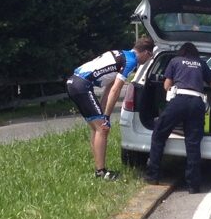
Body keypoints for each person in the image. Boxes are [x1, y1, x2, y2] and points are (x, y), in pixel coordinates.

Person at [66, 36, 155, 180]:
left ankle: (99, 169)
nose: (148, 61)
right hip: (82, 85)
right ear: (146, 53)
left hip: (73, 82)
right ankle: (101, 172)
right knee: (103, 128)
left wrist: (102, 111)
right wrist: (106, 117)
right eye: (150, 58)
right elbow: (116, 90)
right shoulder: (131, 61)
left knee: (97, 128)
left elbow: (108, 87)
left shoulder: (121, 54)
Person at [145, 42, 211, 194]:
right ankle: (193, 186)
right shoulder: (201, 63)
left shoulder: (175, 61)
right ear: (195, 53)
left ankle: (153, 176)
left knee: (159, 134)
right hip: (197, 102)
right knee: (193, 143)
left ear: (181, 52)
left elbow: (166, 86)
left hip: (178, 100)